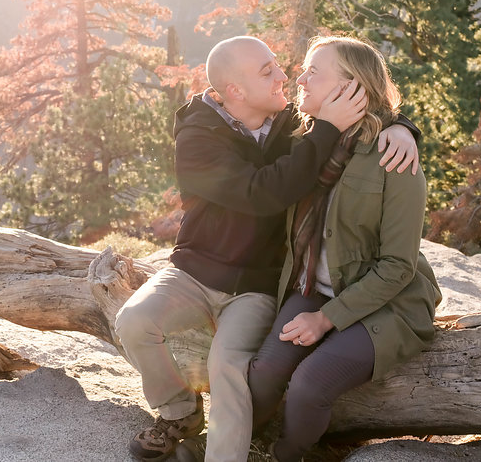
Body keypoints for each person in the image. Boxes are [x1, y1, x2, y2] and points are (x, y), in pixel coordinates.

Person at [114, 35, 420, 462]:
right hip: (207, 274)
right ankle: (181, 415)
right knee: (137, 323)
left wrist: (404, 127)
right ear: (236, 91)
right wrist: (332, 126)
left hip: (276, 286)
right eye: (268, 71)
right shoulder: (219, 137)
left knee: (241, 370)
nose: (289, 76)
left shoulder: (303, 125)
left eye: (291, 67)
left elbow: (367, 101)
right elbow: (262, 193)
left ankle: (245, 454)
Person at [246, 35, 442, 462]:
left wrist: (325, 320)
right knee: (263, 373)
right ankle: (238, 444)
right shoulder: (304, 142)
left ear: (351, 86)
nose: (300, 77)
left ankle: (287, 454)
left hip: (387, 304)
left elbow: (397, 267)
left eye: (314, 71)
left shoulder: (394, 157)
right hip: (312, 287)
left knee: (309, 384)